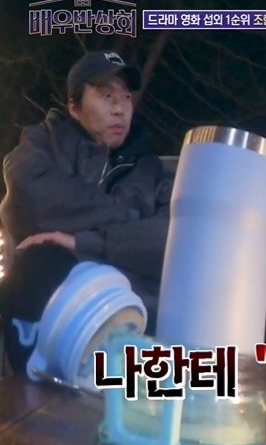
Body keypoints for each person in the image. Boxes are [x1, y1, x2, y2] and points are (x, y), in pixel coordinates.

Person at [0, 50, 173, 372]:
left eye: (126, 97)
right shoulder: (42, 143)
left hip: (129, 321)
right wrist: (129, 221)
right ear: (74, 107)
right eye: (106, 96)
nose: (120, 108)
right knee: (41, 260)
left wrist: (82, 242)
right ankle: (30, 385)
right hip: (48, 306)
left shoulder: (151, 172)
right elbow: (31, 198)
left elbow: (172, 240)